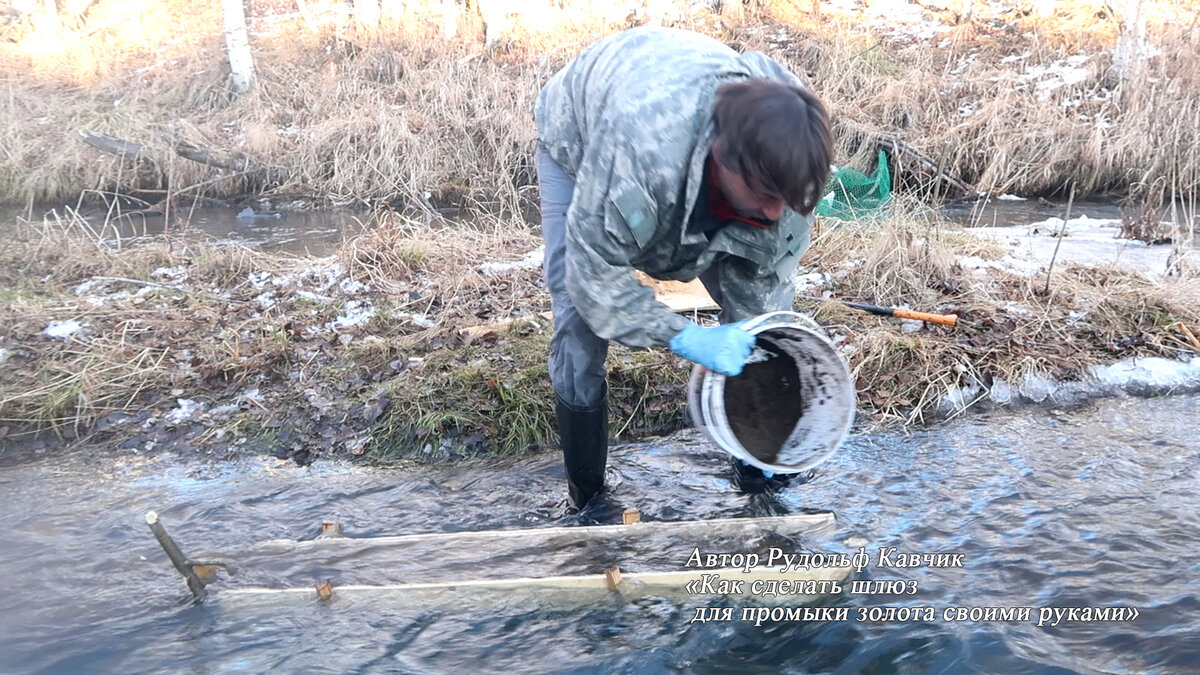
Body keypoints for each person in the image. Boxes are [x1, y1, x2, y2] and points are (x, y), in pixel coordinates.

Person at [534, 26, 832, 509]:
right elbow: (594, 283)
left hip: (683, 147)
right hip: (583, 137)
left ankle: (757, 483)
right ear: (724, 159)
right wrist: (684, 337)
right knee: (578, 328)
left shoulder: (785, 173)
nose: (775, 214)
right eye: (763, 196)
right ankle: (587, 498)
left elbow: (761, 300)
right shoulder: (638, 158)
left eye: (786, 201)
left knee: (757, 333)